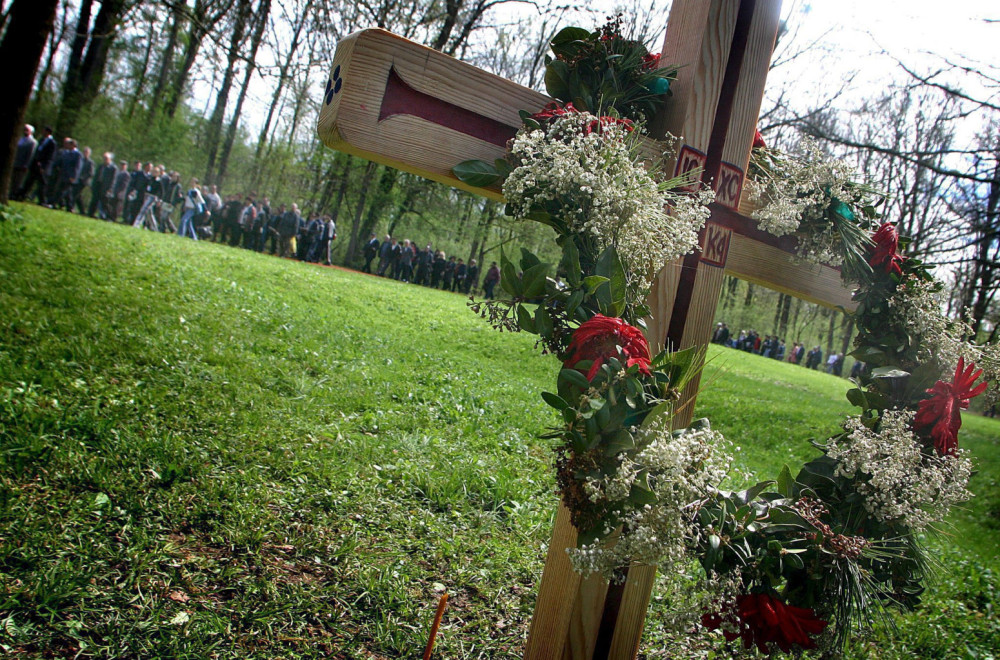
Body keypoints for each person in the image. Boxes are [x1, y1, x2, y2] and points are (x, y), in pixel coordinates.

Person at [16, 126, 55, 204]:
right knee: (29, 181)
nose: (42, 132)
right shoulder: (41, 140)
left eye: (44, 131)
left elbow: (50, 156)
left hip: (42, 166)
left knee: (41, 184)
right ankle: (21, 195)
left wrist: (43, 166)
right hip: (35, 164)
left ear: (48, 132)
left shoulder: (52, 143)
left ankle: (43, 201)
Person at [11, 124, 37, 196]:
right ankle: (11, 193)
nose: (25, 131)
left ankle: (16, 194)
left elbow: (30, 154)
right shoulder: (20, 139)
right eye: (24, 129)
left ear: (31, 132)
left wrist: (26, 165)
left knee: (19, 181)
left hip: (23, 164)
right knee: (13, 179)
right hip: (16, 162)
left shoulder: (32, 142)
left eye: (27, 130)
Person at [89, 152, 116, 218]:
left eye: (106, 158)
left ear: (110, 159)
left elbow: (113, 180)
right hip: (98, 185)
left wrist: (110, 189)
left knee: (105, 202)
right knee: (95, 200)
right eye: (104, 158)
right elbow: (96, 176)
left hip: (106, 187)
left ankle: (109, 217)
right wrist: (93, 185)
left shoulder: (113, 168)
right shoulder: (101, 166)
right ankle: (91, 213)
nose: (105, 160)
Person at [72, 147, 95, 213]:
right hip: (77, 179)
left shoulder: (90, 162)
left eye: (87, 152)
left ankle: (72, 207)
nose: (85, 153)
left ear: (89, 154)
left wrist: (83, 177)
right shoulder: (80, 160)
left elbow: (91, 173)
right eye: (84, 152)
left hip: (84, 181)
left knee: (76, 193)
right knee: (78, 195)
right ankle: (82, 210)